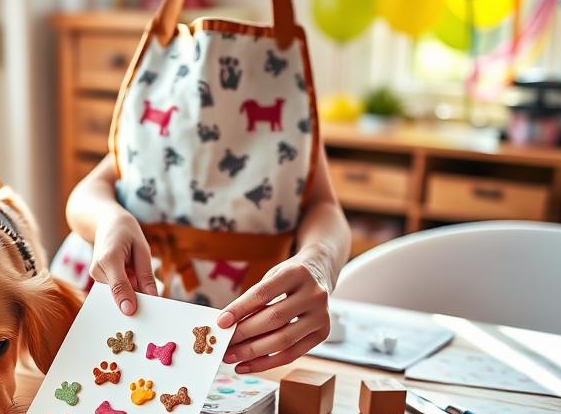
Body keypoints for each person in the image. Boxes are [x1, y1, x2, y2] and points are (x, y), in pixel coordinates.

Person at [64, 149, 350, 375]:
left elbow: (323, 204)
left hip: (250, 332)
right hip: (117, 298)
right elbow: (91, 188)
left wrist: (320, 260)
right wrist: (108, 218)